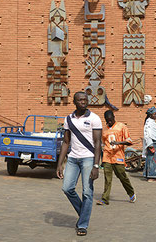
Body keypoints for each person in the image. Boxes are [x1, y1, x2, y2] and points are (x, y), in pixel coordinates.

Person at [56, 91, 102, 237]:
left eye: (85, 100)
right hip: (73, 159)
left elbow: (98, 143)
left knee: (87, 192)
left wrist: (96, 165)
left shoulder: (95, 118)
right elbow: (66, 142)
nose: (84, 102)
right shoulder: (68, 119)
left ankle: (82, 225)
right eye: (80, 100)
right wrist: (59, 164)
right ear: (74, 102)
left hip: (89, 158)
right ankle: (84, 213)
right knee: (67, 188)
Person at [97, 110, 136, 206]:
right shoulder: (105, 130)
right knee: (107, 178)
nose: (109, 122)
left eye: (110, 120)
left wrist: (118, 143)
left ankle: (131, 193)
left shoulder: (122, 127)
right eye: (107, 120)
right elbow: (103, 143)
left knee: (122, 176)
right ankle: (105, 199)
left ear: (114, 117)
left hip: (118, 156)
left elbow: (129, 141)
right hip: (107, 157)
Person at [142, 107, 156, 182]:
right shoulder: (149, 123)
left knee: (152, 159)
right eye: (154, 114)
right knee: (153, 160)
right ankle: (151, 177)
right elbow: (147, 135)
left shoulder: (152, 122)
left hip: (155, 143)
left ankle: (150, 175)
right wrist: (150, 144)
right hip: (152, 144)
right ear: (150, 115)